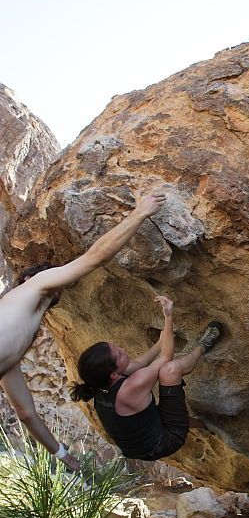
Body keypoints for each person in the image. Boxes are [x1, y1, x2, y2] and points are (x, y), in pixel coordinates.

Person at [0, 190, 166, 470]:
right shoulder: (33, 285)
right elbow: (95, 258)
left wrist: (62, 455)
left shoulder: (12, 352)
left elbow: (26, 413)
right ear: (29, 277)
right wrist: (140, 213)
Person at [71, 296, 222, 461]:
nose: (122, 349)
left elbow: (140, 363)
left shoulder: (99, 381)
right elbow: (166, 358)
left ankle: (206, 425)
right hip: (162, 443)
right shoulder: (130, 388)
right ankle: (202, 347)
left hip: (141, 438)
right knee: (169, 371)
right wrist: (168, 317)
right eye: (119, 353)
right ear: (113, 374)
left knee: (158, 412)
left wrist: (161, 340)